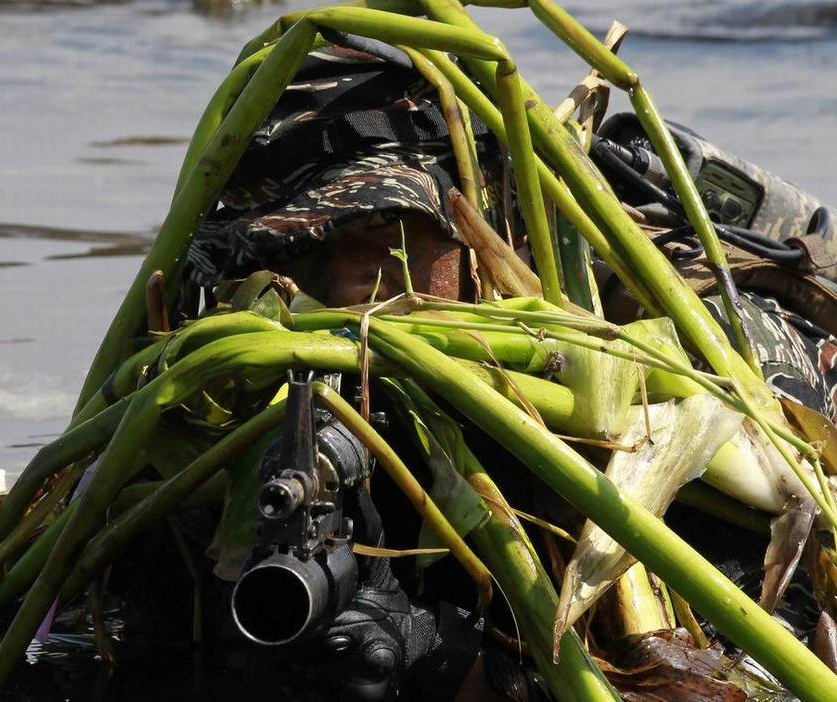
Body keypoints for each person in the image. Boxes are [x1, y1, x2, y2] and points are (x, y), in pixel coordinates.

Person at [179, 38, 837, 701]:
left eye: (387, 236)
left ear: (489, 229)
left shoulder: (676, 374)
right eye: (285, 257)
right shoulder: (208, 410)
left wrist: (452, 669)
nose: (336, 291)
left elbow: (752, 676)